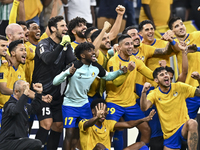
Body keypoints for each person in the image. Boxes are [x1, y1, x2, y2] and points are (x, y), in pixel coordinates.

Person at [53, 42, 127, 150]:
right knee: (69, 134)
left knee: (86, 132)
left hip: (84, 104)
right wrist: (67, 72)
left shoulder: (96, 67)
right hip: (70, 104)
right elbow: (55, 82)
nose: (93, 52)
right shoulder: (74, 66)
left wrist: (120, 72)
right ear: (82, 56)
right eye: (89, 51)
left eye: (93, 50)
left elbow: (108, 76)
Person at [32, 16, 76, 150]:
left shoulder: (66, 45)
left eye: (66, 26)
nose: (66, 29)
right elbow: (47, 59)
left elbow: (73, 61)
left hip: (57, 93)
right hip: (41, 92)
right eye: (62, 26)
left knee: (58, 126)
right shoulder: (43, 44)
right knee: (46, 124)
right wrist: (62, 45)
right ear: (53, 28)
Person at [106, 34, 154, 150]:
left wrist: (163, 75)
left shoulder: (135, 60)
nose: (131, 46)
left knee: (146, 130)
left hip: (130, 103)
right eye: (127, 44)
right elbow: (116, 82)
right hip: (114, 102)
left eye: (132, 44)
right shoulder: (113, 61)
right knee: (109, 131)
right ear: (120, 47)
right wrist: (127, 71)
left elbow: (151, 75)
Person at [140, 67, 199, 150]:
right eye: (161, 75)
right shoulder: (154, 93)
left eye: (166, 73)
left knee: (192, 123)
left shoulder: (179, 87)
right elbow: (144, 107)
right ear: (156, 80)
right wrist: (143, 92)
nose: (165, 76)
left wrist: (199, 79)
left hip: (182, 128)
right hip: (170, 136)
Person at [79, 98, 156, 150]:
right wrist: (97, 117)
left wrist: (144, 119)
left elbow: (129, 124)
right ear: (93, 111)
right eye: (100, 110)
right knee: (99, 146)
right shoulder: (83, 122)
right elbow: (88, 124)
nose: (103, 112)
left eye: (105, 110)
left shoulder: (108, 123)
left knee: (140, 144)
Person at [0, 80, 52, 150]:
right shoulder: (9, 105)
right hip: (8, 142)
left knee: (35, 144)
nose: (27, 93)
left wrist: (39, 93)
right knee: (36, 143)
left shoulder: (24, 106)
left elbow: (34, 108)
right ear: (16, 92)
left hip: (20, 141)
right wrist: (24, 94)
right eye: (24, 90)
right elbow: (16, 110)